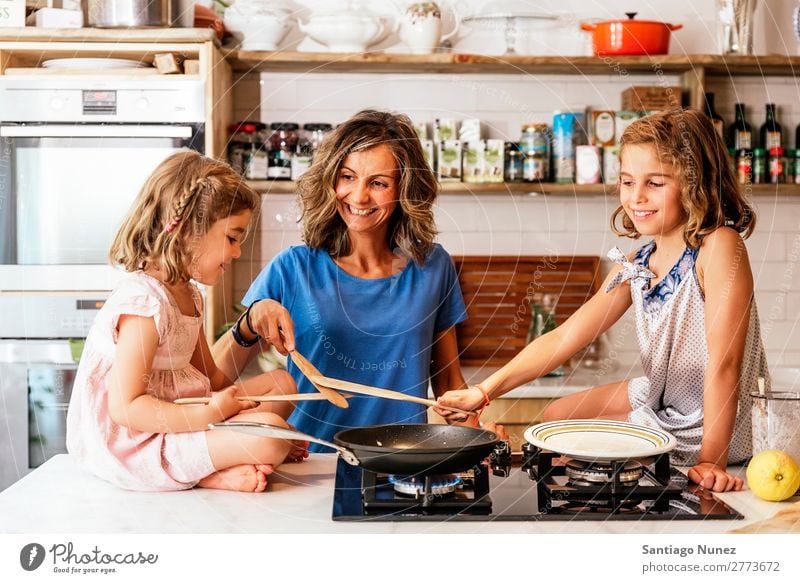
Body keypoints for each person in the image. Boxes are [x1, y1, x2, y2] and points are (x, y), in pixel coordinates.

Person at [437, 108, 769, 493]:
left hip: (715, 419)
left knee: (570, 446)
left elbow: (725, 363)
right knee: (557, 417)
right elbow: (565, 337)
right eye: (627, 181)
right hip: (667, 400)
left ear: (697, 183)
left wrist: (712, 460)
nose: (636, 197)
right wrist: (483, 392)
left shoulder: (719, 247)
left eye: (655, 183)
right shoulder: (636, 265)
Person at [213, 109, 469, 450]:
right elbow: (213, 381)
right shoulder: (292, 268)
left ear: (404, 189)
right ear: (330, 180)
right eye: (347, 177)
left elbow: (450, 383)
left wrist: (473, 426)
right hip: (308, 463)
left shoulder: (433, 266)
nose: (359, 196)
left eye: (378, 183)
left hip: (401, 464)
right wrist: (247, 324)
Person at [66, 151, 307, 493]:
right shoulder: (144, 303)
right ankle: (209, 473)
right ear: (188, 232)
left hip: (182, 421)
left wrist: (237, 391)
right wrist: (211, 417)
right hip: (139, 444)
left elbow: (211, 380)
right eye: (232, 238)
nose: (237, 252)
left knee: (283, 384)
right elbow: (126, 407)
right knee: (270, 438)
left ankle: (220, 457)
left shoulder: (190, 295)